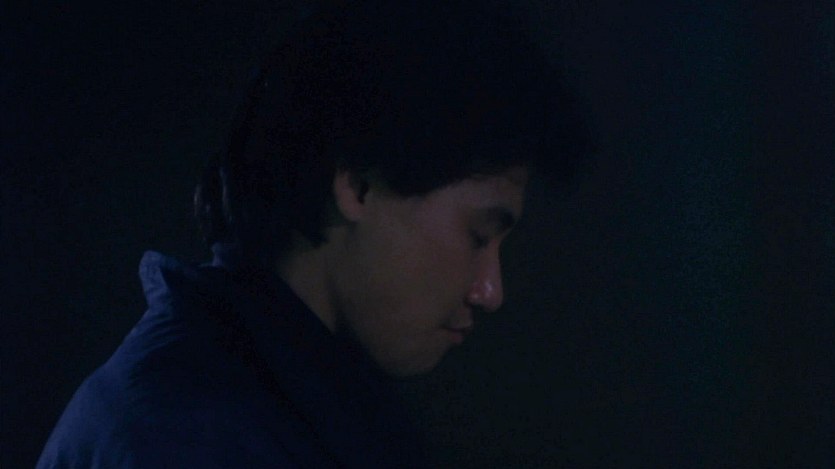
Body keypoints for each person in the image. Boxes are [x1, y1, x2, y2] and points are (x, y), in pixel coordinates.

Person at [37, 1, 589, 467]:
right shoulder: (187, 435)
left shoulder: (288, 403)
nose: (491, 291)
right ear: (359, 184)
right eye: (478, 236)